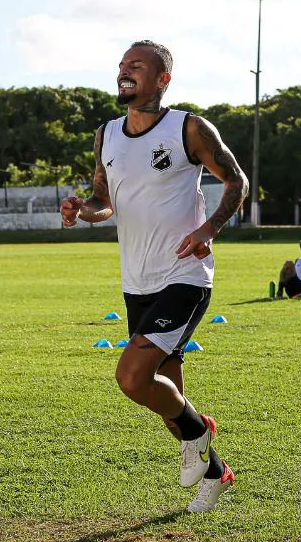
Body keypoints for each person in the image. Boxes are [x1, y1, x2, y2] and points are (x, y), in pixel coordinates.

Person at [61, 41, 247, 513]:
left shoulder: (188, 128)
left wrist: (210, 228)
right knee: (169, 401)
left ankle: (200, 431)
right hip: (136, 280)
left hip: (184, 275)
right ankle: (216, 472)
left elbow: (236, 181)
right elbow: (105, 201)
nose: (125, 72)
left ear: (162, 79)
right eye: (122, 65)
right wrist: (84, 210)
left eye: (137, 66)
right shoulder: (106, 134)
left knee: (132, 376)